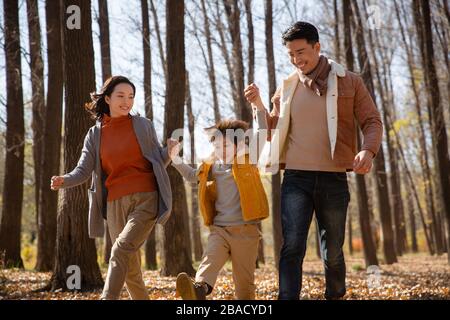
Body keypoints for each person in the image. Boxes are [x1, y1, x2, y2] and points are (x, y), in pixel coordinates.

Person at [244, 21, 383, 300]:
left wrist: (367, 150)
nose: (297, 60)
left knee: (332, 250)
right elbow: (271, 130)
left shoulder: (350, 81)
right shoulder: (287, 87)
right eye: (291, 55)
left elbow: (372, 121)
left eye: (301, 52)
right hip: (296, 178)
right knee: (292, 246)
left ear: (317, 47)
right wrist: (258, 104)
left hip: (333, 178)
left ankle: (335, 294)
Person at [50, 75, 177, 300]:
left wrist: (169, 152)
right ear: (107, 98)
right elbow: (83, 169)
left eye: (131, 97)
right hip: (114, 204)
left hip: (146, 198)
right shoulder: (95, 134)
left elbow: (157, 160)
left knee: (120, 251)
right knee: (130, 269)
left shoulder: (142, 125)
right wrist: (65, 180)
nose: (126, 101)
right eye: (121, 96)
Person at [169, 119, 269, 300]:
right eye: (217, 146)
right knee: (209, 262)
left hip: (246, 232)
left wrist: (258, 106)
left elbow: (262, 129)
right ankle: (198, 290)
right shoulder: (212, 167)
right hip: (220, 230)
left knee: (244, 285)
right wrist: (175, 158)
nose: (221, 150)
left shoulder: (249, 159)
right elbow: (192, 176)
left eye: (226, 145)